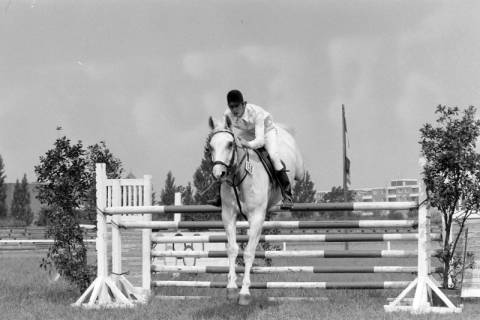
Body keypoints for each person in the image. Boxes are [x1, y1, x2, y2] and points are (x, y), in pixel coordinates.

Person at [207, 89, 293, 209]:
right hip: (247, 132)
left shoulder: (256, 114)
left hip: (266, 132)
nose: (234, 110)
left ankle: (287, 195)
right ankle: (219, 195)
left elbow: (260, 141)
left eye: (237, 106)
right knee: (229, 154)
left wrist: (247, 144)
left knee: (273, 157)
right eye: (231, 107)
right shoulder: (227, 115)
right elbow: (227, 132)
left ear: (244, 104)